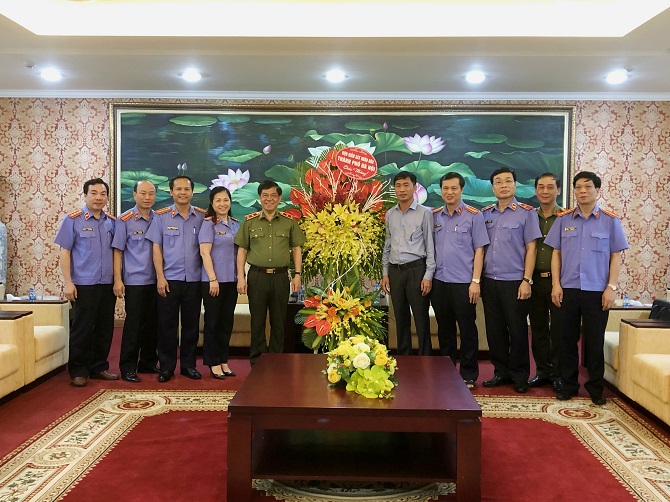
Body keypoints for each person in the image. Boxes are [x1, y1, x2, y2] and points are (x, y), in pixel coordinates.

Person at [545, 171, 628, 405]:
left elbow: (615, 256)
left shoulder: (610, 220)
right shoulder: (563, 220)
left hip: (597, 291)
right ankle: (568, 385)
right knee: (566, 340)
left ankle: (595, 388)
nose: (582, 191)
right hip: (568, 289)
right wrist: (555, 284)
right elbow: (556, 253)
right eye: (578, 187)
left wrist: (611, 287)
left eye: (588, 187)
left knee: (594, 341)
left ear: (597, 190)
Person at [481, 167, 542, 393]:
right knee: (494, 330)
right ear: (493, 187)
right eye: (498, 182)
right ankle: (500, 372)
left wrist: (527, 280)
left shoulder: (527, 213)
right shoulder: (485, 214)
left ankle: (519, 375)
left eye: (508, 181)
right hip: (490, 280)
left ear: (515, 185)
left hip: (515, 281)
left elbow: (531, 248)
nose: (503, 185)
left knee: (517, 330)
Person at [54, 178, 118, 387]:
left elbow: (117, 253)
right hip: (83, 283)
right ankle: (78, 370)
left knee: (104, 327)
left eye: (103, 194)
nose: (99, 198)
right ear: (85, 195)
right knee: (82, 328)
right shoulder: (73, 220)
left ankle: (98, 367)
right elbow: (65, 252)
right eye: (94, 193)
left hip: (107, 283)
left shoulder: (111, 222)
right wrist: (68, 282)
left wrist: (118, 280)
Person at [234, 180, 305, 366]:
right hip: (257, 276)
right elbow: (242, 250)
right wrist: (241, 277)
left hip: (281, 277)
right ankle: (257, 361)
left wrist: (297, 274)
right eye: (265, 195)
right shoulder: (249, 222)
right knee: (257, 321)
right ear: (260, 198)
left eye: (273, 195)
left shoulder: (289, 222)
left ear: (279, 198)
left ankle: (276, 360)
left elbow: (296, 249)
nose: (269, 199)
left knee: (279, 321)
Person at [146, 175, 206, 382]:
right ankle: (166, 367)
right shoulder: (161, 217)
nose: (182, 193)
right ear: (171, 192)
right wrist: (160, 278)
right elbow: (156, 248)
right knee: (167, 325)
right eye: (178, 189)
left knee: (191, 325)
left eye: (186, 189)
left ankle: (189, 366)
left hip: (194, 280)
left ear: (192, 192)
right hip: (169, 280)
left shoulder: (202, 217)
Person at [431, 172, 489, 388]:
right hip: (439, 281)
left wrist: (476, 281)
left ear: (462, 190)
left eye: (454, 188)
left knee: (467, 329)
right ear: (441, 190)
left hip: (464, 283)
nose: (449, 192)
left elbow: (479, 250)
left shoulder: (474, 216)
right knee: (444, 329)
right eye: (445, 188)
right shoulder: (434, 216)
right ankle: (447, 372)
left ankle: (468, 374)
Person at [381, 171, 435, 355]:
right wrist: (385, 273)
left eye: (406, 185)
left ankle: (425, 358)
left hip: (416, 270)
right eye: (398, 186)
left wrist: (428, 276)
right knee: (400, 317)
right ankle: (404, 358)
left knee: (421, 318)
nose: (402, 189)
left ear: (414, 187)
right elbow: (387, 245)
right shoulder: (390, 214)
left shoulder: (425, 213)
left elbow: (430, 246)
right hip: (395, 272)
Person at [112, 180, 159, 383]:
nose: (147, 197)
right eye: (143, 193)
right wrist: (118, 280)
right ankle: (128, 367)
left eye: (151, 193)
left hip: (157, 280)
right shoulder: (125, 220)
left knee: (152, 324)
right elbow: (117, 251)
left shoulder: (159, 218)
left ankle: (148, 362)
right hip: (135, 281)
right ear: (134, 195)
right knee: (134, 325)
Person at [199, 186, 240, 379]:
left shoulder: (235, 224)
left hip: (231, 280)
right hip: (213, 281)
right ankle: (213, 362)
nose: (222, 204)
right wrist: (212, 279)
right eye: (218, 200)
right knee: (213, 322)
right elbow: (204, 253)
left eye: (225, 200)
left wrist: (241, 277)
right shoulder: (208, 224)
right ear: (212, 203)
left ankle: (224, 360)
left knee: (226, 322)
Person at [528, 173, 563, 392]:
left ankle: (558, 374)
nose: (545, 191)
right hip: (534, 280)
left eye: (550, 187)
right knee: (538, 328)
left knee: (559, 330)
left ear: (558, 190)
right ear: (535, 190)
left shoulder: (566, 217)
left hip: (558, 281)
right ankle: (542, 371)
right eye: (541, 187)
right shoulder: (529, 216)